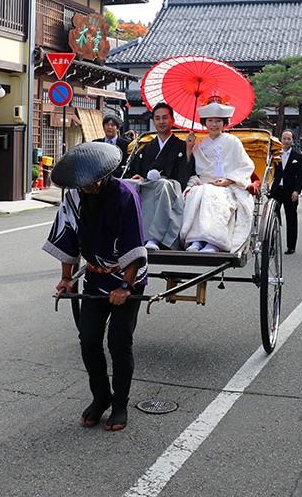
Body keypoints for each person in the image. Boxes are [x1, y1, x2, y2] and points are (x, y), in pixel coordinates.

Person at [46, 142, 147, 431]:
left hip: (128, 275)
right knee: (89, 339)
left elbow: (133, 242)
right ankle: (101, 397)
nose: (85, 187)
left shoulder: (124, 195)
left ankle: (120, 404)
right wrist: (67, 277)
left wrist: (126, 286)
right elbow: (66, 237)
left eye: (88, 183)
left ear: (101, 177)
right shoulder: (74, 198)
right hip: (94, 276)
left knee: (118, 342)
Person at [181, 100, 255, 253]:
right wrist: (189, 147)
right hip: (204, 184)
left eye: (218, 121)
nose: (214, 124)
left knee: (212, 194)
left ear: (224, 122)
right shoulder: (199, 145)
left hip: (228, 186)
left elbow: (246, 166)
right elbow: (192, 169)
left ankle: (214, 242)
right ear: (205, 122)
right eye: (210, 121)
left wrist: (227, 180)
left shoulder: (233, 141)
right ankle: (196, 240)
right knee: (195, 194)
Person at [125, 102, 194, 250]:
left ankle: (154, 238)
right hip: (147, 185)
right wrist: (135, 176)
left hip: (170, 187)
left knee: (163, 186)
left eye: (165, 118)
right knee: (127, 185)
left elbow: (184, 174)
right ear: (153, 121)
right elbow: (133, 171)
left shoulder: (181, 146)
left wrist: (188, 150)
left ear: (172, 120)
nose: (161, 122)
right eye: (157, 118)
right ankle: (126, 234)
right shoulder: (147, 148)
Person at [269, 130, 302, 254]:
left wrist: (297, 191)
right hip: (276, 190)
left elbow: (301, 176)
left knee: (291, 219)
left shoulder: (298, 156)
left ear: (292, 140)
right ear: (280, 139)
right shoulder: (274, 155)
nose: (286, 141)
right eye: (284, 138)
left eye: (289, 139)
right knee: (272, 219)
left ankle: (291, 246)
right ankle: (271, 246)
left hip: (291, 191)